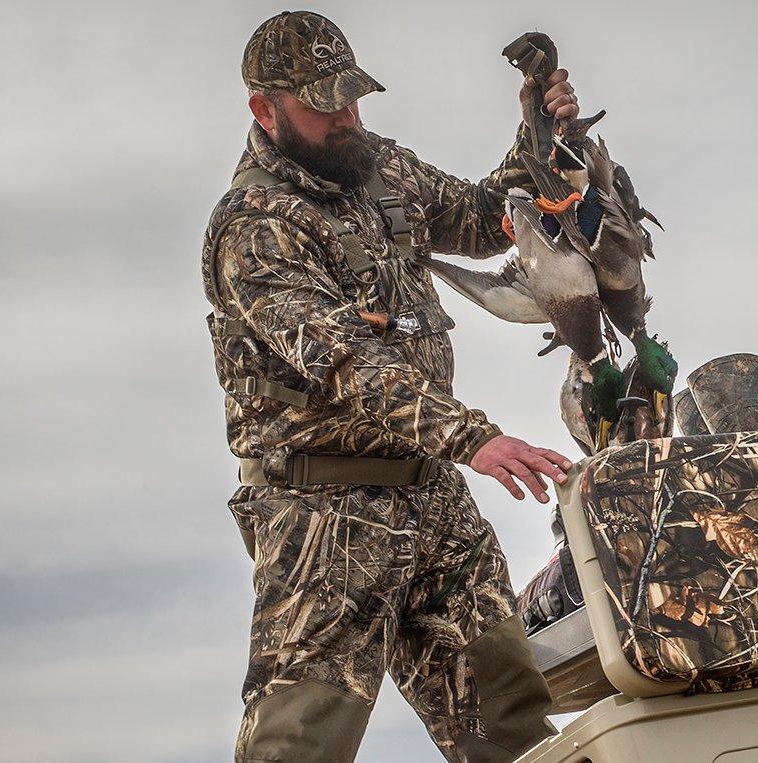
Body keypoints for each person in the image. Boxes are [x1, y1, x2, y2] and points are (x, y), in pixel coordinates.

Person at [201, 10, 584, 763]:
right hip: (323, 516)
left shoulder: (379, 166)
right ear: (264, 110)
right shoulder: (253, 228)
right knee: (300, 742)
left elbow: (483, 219)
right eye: (322, 104)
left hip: (432, 501)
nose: (345, 116)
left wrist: (539, 139)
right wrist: (474, 437)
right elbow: (343, 362)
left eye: (351, 96)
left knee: (511, 723)